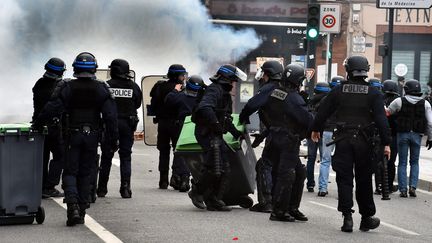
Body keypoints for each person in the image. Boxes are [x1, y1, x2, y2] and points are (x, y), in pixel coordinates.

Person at [34, 52, 119, 227]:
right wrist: (113, 139)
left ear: (75, 69)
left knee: (71, 171)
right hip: (93, 135)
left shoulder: (66, 86)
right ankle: (81, 210)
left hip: (72, 135)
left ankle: (72, 205)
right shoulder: (102, 87)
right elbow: (111, 116)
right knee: (86, 172)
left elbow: (52, 108)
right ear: (94, 68)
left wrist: (37, 123)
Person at [311, 56, 391, 233]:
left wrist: (316, 129)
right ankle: (366, 218)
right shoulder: (374, 93)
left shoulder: (339, 91)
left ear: (348, 71)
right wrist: (386, 143)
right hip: (364, 142)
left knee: (344, 180)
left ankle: (347, 218)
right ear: (365, 71)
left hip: (343, 141)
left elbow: (322, 111)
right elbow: (381, 121)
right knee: (364, 180)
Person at [188, 64, 245, 211]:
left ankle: (213, 198)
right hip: (206, 132)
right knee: (214, 166)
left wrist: (234, 132)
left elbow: (225, 117)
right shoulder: (214, 89)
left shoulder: (225, 94)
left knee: (224, 167)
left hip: (215, 133)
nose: (233, 85)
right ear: (226, 79)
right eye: (232, 81)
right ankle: (197, 192)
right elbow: (205, 108)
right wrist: (215, 124)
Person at [260, 63, 312, 222]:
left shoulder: (275, 93)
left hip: (276, 137)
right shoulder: (294, 98)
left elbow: (263, 111)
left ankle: (291, 208)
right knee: (286, 175)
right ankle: (279, 211)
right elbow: (307, 120)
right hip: (288, 140)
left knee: (298, 172)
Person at [239, 60, 285, 213]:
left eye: (264, 73)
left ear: (269, 74)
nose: (262, 77)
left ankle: (266, 202)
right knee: (281, 167)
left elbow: (252, 104)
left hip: (276, 135)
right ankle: (281, 202)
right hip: (287, 135)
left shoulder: (269, 88)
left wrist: (242, 118)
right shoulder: (285, 88)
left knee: (264, 165)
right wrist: (262, 136)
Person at [97, 59, 142, 199]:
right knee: (126, 156)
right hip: (128, 125)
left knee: (107, 156)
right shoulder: (133, 86)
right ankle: (125, 189)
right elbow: (137, 104)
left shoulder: (106, 86)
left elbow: (99, 104)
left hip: (110, 124)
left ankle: (102, 189)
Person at [386, 79, 432, 198]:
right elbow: (430, 123)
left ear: (406, 89)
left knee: (402, 162)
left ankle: (403, 190)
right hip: (417, 135)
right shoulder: (426, 103)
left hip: (402, 134)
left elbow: (388, 113)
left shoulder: (399, 101)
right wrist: (430, 138)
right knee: (415, 162)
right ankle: (412, 187)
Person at [164, 75, 206, 192]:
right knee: (191, 152)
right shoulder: (203, 99)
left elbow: (168, 101)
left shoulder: (180, 96)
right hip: (198, 127)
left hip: (181, 126)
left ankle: (182, 178)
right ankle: (183, 177)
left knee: (180, 151)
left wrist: (175, 90)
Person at [32, 57, 66, 198]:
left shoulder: (39, 83)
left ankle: (41, 186)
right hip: (53, 126)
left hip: (39, 125)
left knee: (43, 157)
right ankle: (49, 186)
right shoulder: (60, 86)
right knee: (60, 156)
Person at [150, 64, 188, 189]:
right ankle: (176, 177)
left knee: (163, 151)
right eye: (182, 75)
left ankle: (163, 180)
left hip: (163, 124)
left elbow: (153, 105)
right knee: (178, 151)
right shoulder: (182, 89)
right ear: (178, 76)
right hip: (178, 124)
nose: (184, 77)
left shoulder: (160, 86)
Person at [317, 76, 344, 197]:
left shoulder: (326, 99)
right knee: (343, 162)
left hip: (327, 131)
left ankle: (322, 188)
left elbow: (320, 116)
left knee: (325, 160)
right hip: (342, 132)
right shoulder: (346, 99)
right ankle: (342, 190)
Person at [305, 82, 330, 192]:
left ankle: (310, 184)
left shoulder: (311, 101)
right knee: (324, 160)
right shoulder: (328, 102)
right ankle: (322, 186)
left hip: (311, 133)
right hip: (324, 132)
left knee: (311, 158)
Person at [382, 80, 400, 192]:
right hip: (395, 135)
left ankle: (380, 184)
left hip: (381, 133)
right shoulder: (398, 101)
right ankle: (389, 185)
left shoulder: (380, 100)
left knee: (380, 160)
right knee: (391, 161)